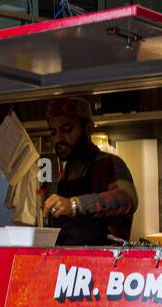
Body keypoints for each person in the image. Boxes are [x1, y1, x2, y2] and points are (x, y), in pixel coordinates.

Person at [40, 96, 138, 246]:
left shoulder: (108, 163)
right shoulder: (66, 173)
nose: (59, 138)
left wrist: (75, 205)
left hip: (103, 263)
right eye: (53, 132)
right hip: (68, 264)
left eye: (67, 129)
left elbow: (127, 198)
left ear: (88, 128)